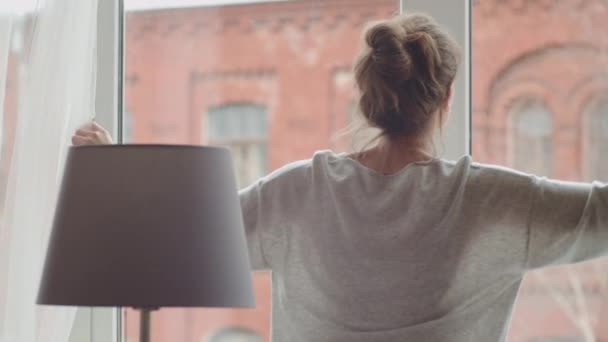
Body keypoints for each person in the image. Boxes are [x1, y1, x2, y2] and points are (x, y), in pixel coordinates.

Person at [72, 13, 608, 342]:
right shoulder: (492, 201)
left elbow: (180, 231)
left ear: (368, 99)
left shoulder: (300, 192)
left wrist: (110, 160)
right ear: (447, 100)